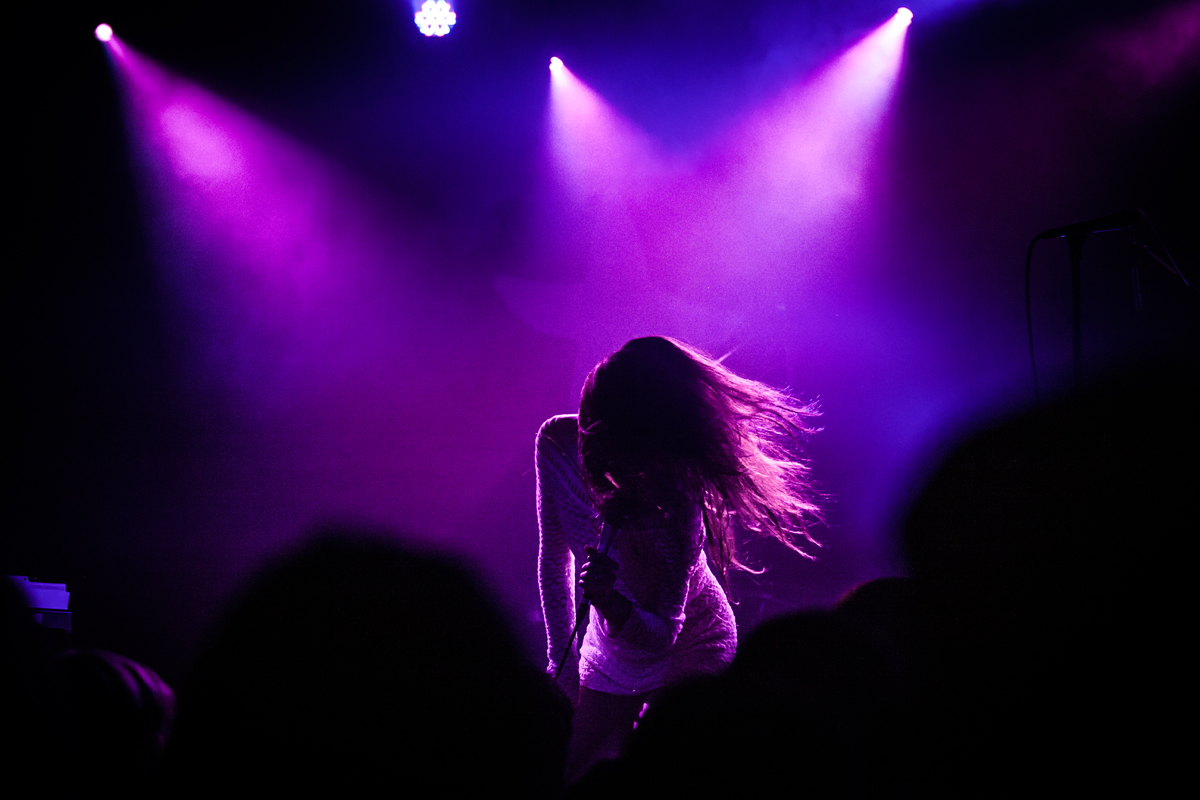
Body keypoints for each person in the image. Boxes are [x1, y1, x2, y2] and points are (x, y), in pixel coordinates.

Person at [536, 336, 820, 782]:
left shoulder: (678, 507)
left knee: (668, 768)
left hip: (690, 643)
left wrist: (609, 600)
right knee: (569, 768)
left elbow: (661, 635)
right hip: (610, 648)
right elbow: (554, 561)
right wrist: (562, 667)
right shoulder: (555, 443)